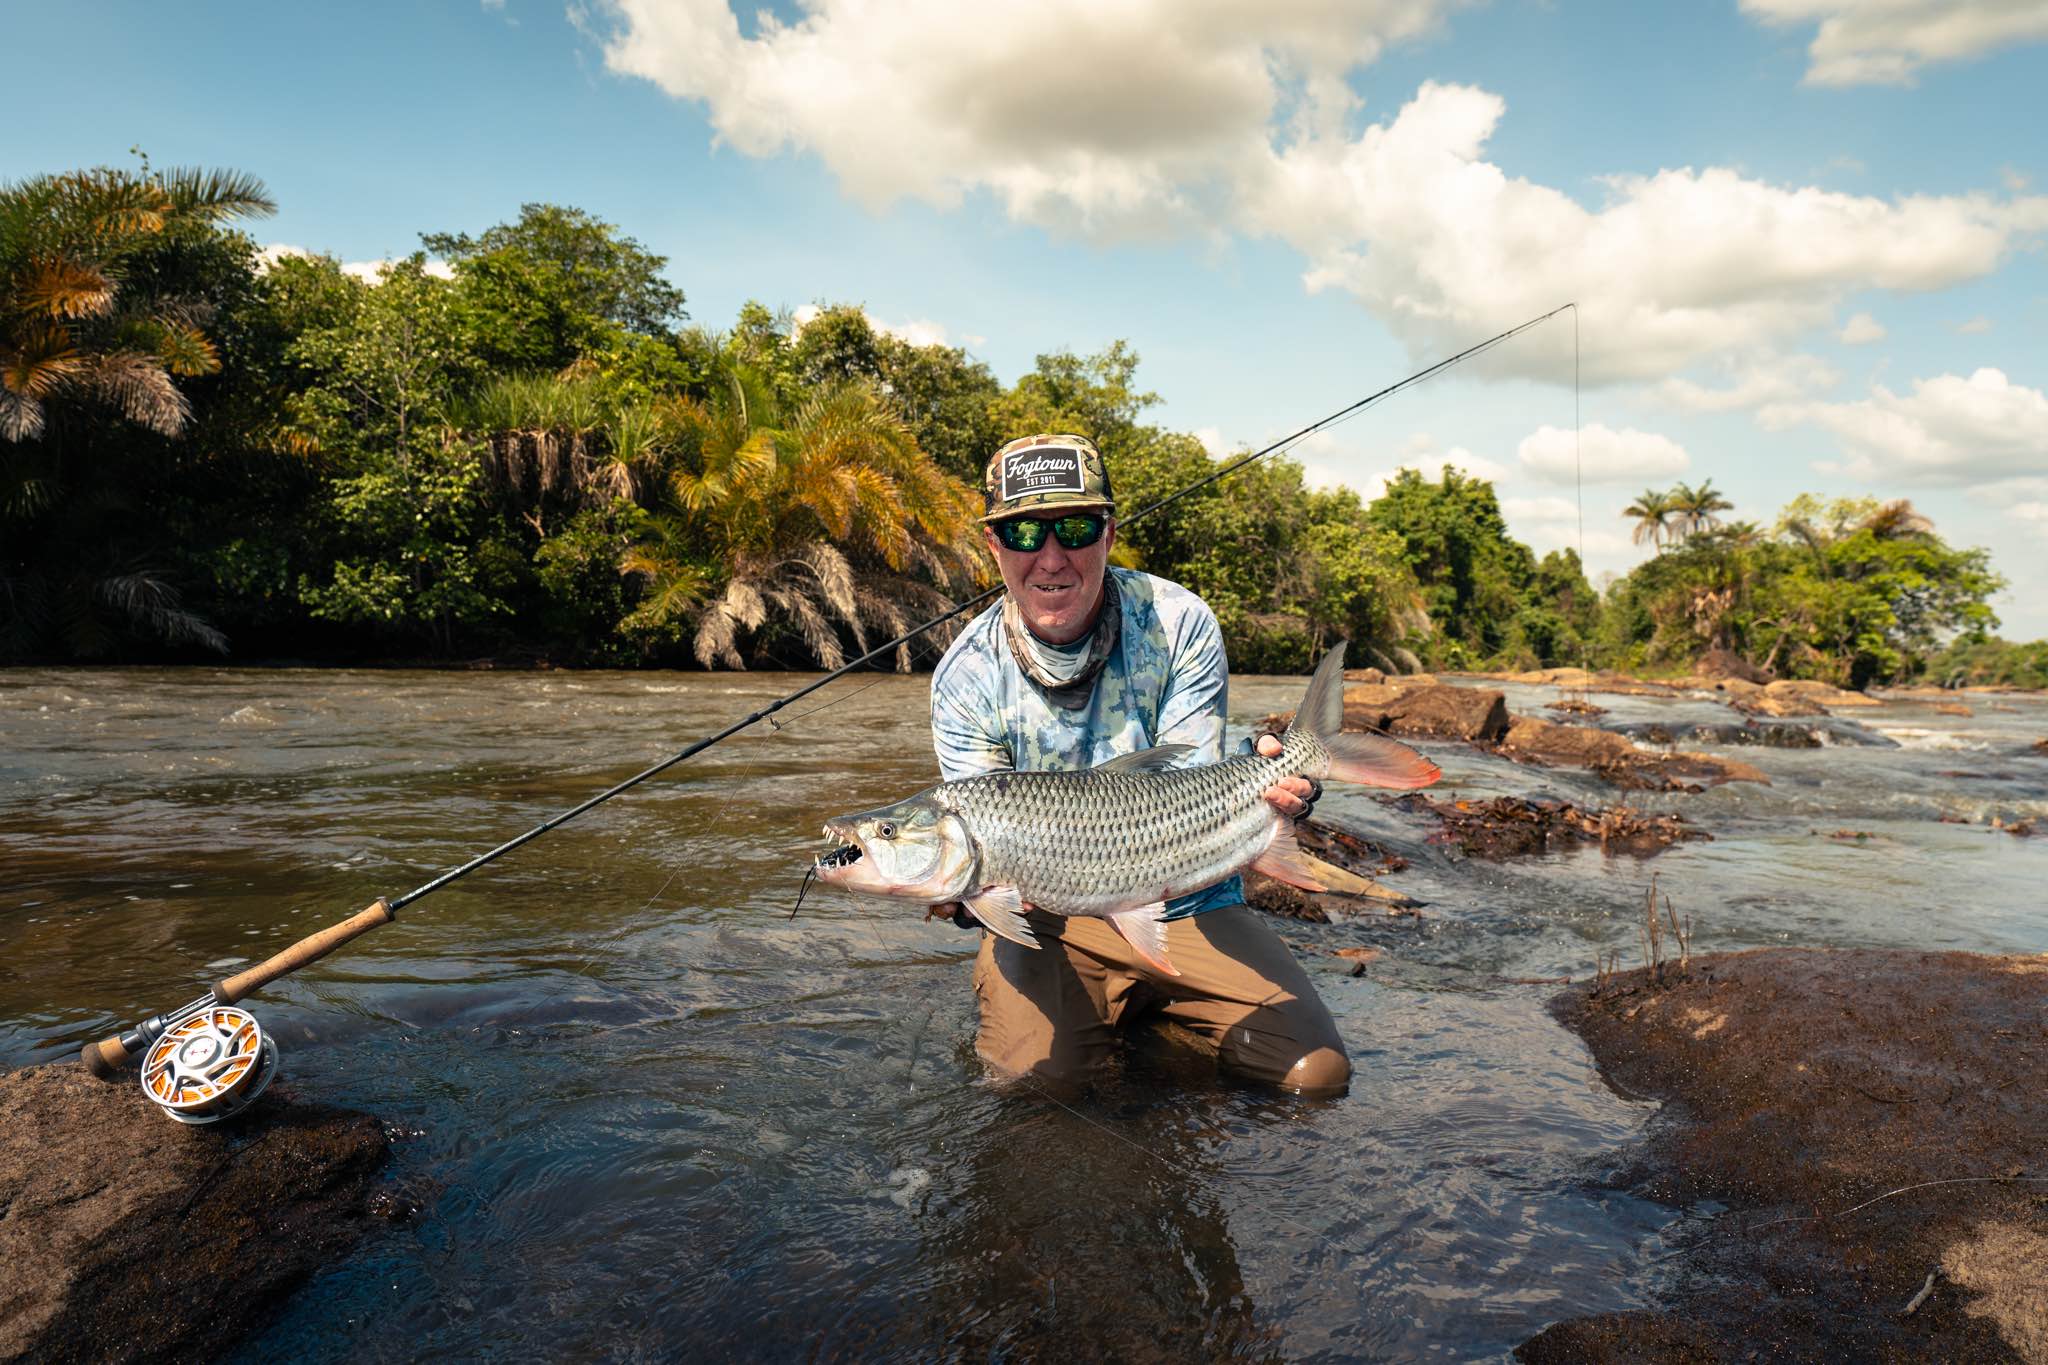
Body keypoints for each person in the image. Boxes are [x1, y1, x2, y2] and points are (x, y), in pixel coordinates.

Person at [928, 432, 1351, 1097]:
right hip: (1052, 927)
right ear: (993, 545)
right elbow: (980, 863)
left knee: (1315, 1076)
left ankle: (1155, 1011)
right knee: (1029, 1088)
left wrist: (1270, 795)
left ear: (1108, 532)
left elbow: (1185, 798)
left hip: (1191, 897)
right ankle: (1141, 1016)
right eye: (1023, 534)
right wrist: (960, 895)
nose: (1051, 557)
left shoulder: (1180, 622)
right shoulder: (964, 676)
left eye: (1073, 526)